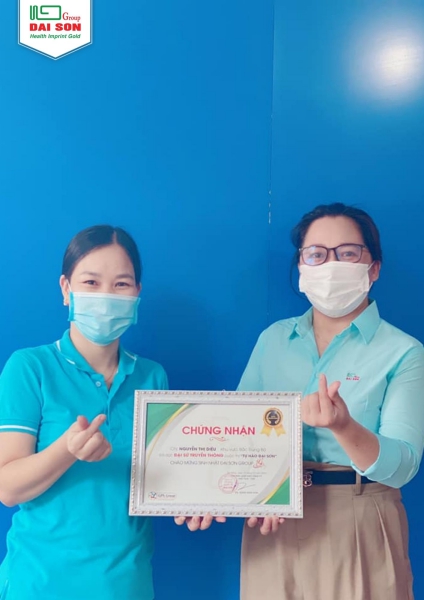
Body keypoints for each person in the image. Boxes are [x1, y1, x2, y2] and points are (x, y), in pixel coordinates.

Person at [237, 203, 424, 600]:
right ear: (301, 267)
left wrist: (344, 426)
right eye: (317, 254)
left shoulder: (404, 352)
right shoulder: (274, 340)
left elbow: (403, 465)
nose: (331, 264)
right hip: (273, 519)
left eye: (348, 253)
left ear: (374, 268)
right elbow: (237, 434)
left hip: (360, 517)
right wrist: (206, 492)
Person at [0, 225, 168, 600]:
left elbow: (160, 481)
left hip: (126, 585)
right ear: (66, 289)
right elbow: (7, 488)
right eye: (91, 282)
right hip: (39, 584)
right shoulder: (29, 368)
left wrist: (197, 501)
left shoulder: (153, 377)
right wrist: (67, 450)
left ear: (137, 293)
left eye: (121, 284)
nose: (106, 296)